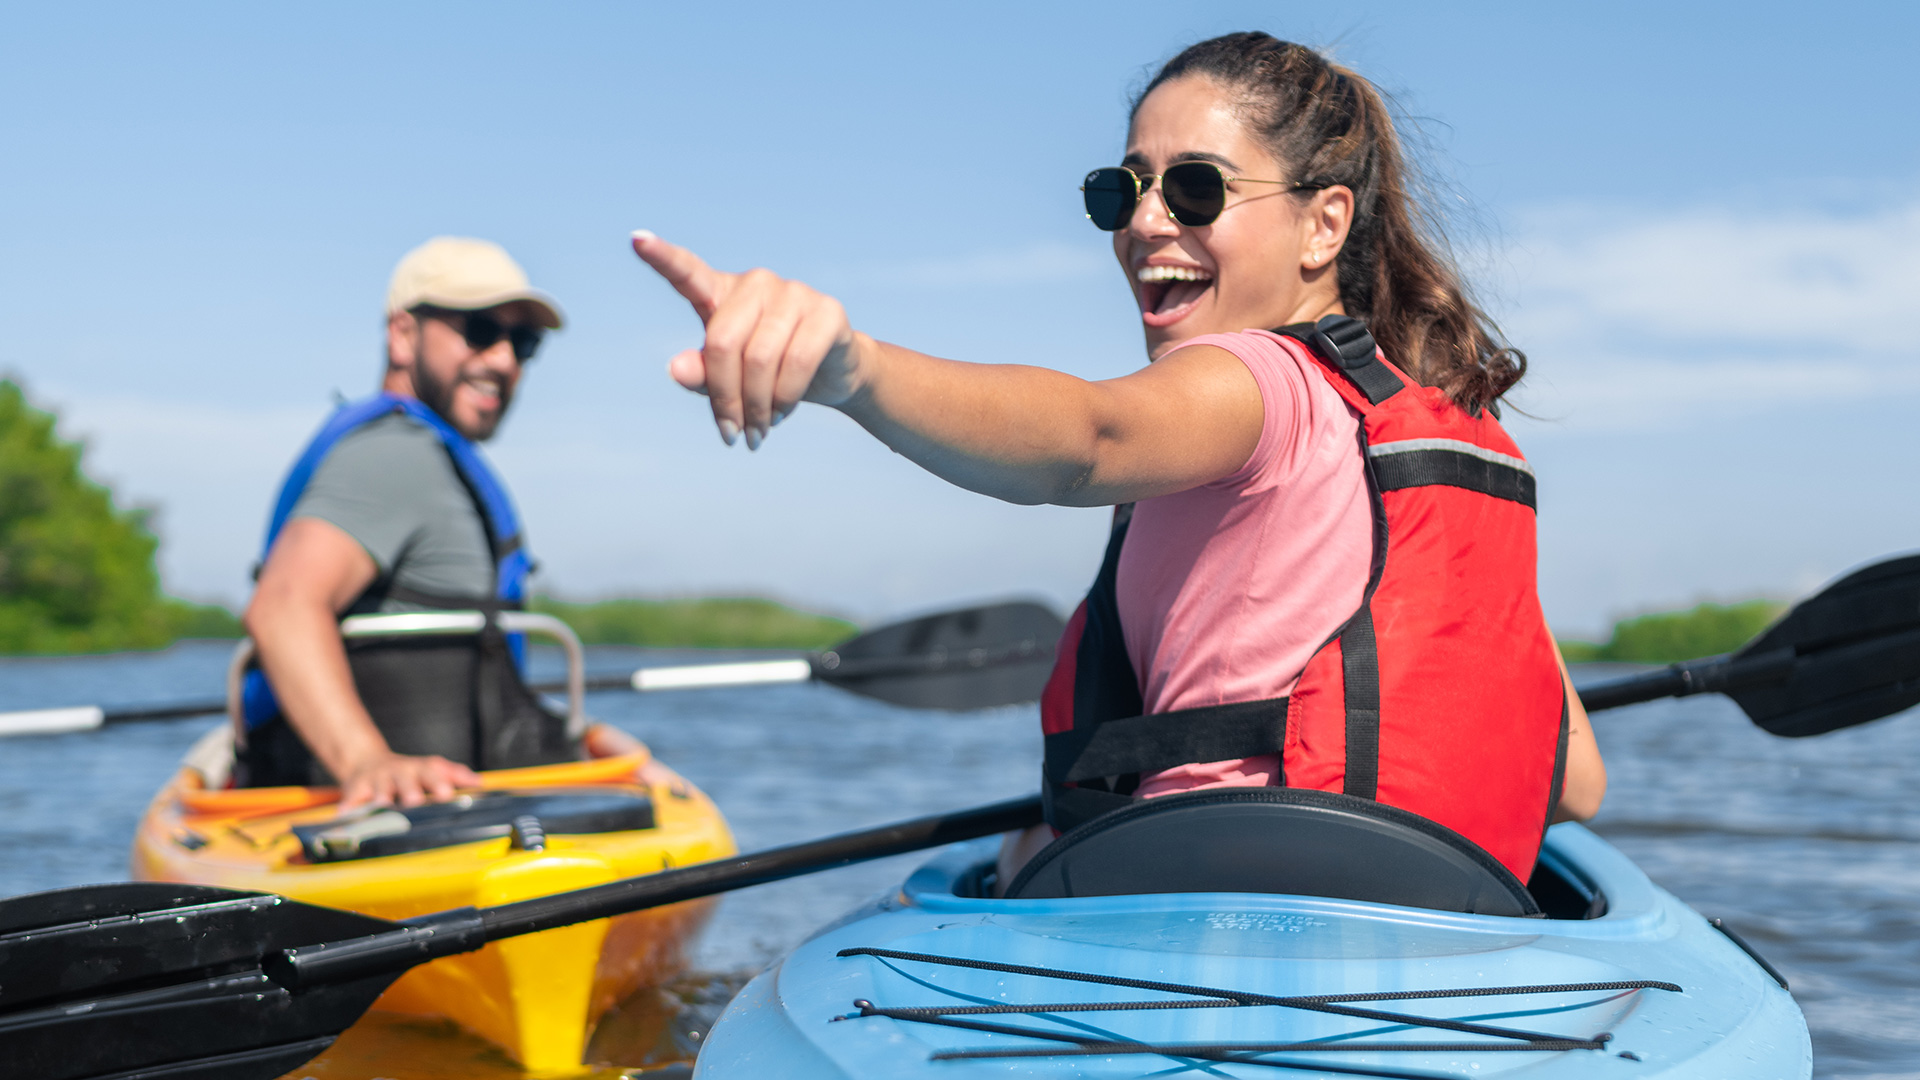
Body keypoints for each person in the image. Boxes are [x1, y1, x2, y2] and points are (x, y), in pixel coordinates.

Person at [629, 31, 1605, 881]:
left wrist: (855, 370)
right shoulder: (1451, 445)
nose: (1145, 221)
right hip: (1439, 920)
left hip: (1211, 916)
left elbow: (1084, 440)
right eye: (1122, 190)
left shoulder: (1257, 378)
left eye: (1195, 188)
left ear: (1324, 224)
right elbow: (1576, 783)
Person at [239, 237, 577, 808]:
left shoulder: (429, 454)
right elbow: (283, 606)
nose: (504, 360)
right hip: (402, 819)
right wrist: (365, 760)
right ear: (402, 335)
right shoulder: (390, 457)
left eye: (524, 343)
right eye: (479, 330)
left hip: (463, 800)